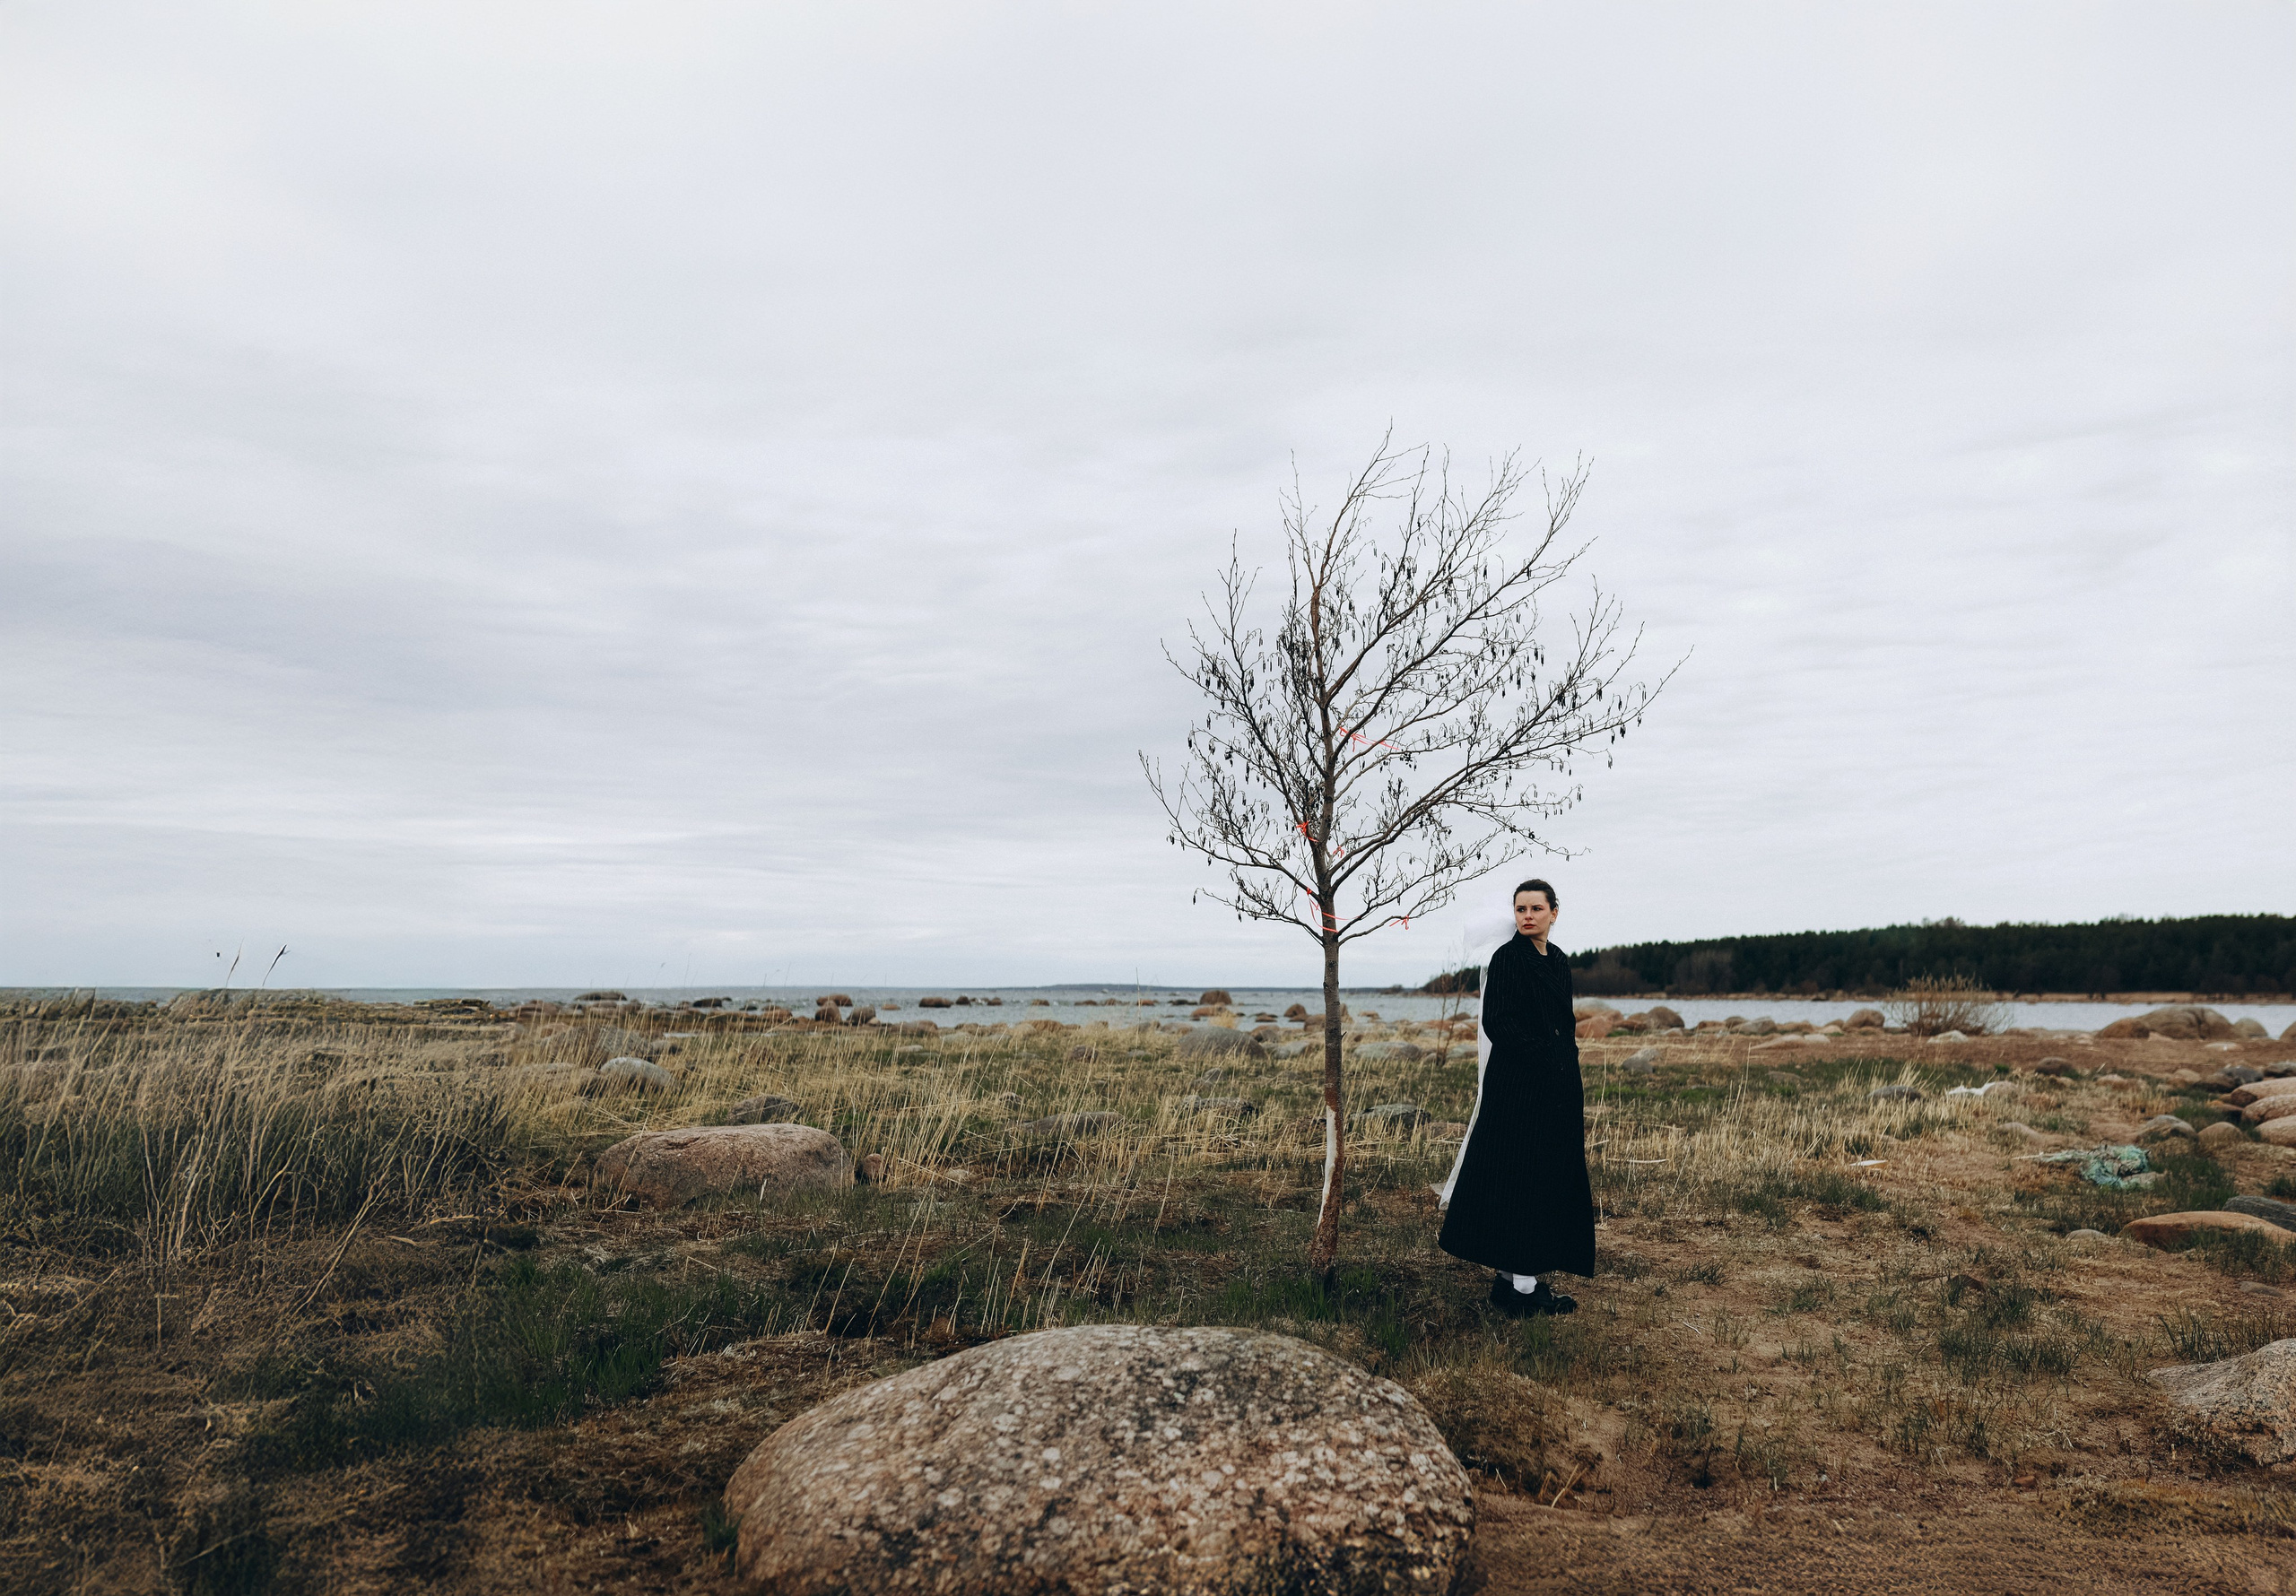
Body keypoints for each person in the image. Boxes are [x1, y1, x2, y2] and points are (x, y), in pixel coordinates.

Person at [1433, 879, 1596, 1316]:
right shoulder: (1507, 960)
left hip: (1557, 1087)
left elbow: (1563, 1021)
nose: (1528, 915)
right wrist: (1546, 1058)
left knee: (1544, 1177)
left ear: (1553, 913)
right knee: (1519, 1177)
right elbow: (1498, 1024)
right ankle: (1523, 1291)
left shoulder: (1558, 960)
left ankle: (1512, 1282)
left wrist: (1565, 1067)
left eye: (1536, 908)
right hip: (1518, 1088)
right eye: (1521, 909)